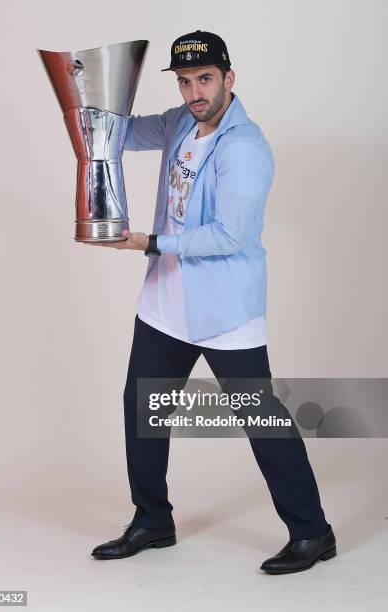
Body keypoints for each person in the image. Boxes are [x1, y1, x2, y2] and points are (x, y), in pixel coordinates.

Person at [84, 30, 336, 574]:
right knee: (141, 412)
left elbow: (230, 237)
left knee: (262, 421)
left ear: (228, 77)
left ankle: (313, 533)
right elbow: (119, 135)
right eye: (184, 81)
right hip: (164, 304)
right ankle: (153, 520)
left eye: (204, 79)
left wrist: (150, 243)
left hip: (224, 312)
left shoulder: (245, 148)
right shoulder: (180, 121)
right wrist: (79, 93)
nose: (194, 91)